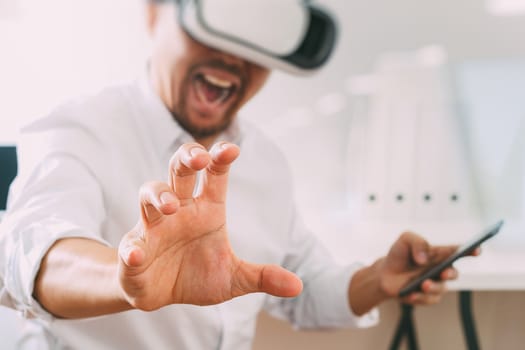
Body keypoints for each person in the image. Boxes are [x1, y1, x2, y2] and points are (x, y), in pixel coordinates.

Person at [0, 1, 472, 349]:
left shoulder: (264, 161)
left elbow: (300, 284)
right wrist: (127, 278)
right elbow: (31, 256)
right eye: (219, 23)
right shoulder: (78, 129)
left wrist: (379, 279)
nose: (233, 57)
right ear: (154, 14)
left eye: (258, 34)